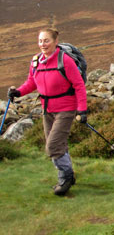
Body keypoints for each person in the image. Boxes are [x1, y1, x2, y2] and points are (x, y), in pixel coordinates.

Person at [8, 28, 87, 196]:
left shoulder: (65, 60)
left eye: (46, 41)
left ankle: (65, 178)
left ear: (55, 41)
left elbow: (79, 85)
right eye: (40, 41)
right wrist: (19, 92)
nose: (42, 44)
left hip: (66, 108)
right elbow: (31, 82)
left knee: (52, 146)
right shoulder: (36, 61)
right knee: (59, 145)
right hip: (47, 109)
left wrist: (82, 109)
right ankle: (69, 174)